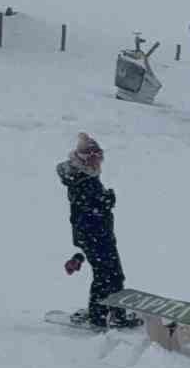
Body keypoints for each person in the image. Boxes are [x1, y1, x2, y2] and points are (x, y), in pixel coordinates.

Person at [57, 133, 137, 328]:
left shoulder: (82, 176)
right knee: (110, 276)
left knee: (105, 274)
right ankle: (109, 316)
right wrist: (106, 200)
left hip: (93, 234)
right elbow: (89, 206)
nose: (99, 163)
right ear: (87, 159)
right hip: (96, 235)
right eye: (96, 158)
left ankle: (103, 313)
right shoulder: (83, 180)